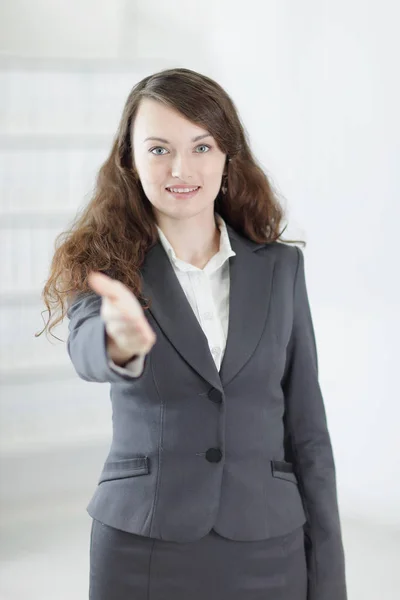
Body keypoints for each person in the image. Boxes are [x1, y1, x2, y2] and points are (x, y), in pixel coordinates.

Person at [40, 67, 347, 600]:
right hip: (143, 548)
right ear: (130, 161)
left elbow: (309, 435)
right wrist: (118, 341)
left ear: (227, 155)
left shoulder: (281, 269)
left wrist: (330, 581)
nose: (182, 168)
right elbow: (88, 347)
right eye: (159, 149)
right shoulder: (108, 267)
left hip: (269, 545)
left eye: (201, 146)